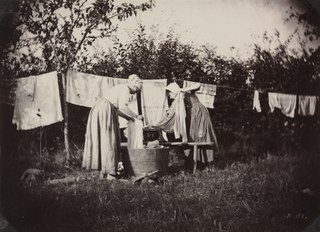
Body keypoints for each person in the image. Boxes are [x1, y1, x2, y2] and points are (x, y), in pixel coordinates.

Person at [82, 74, 144, 180]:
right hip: (105, 110)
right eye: (137, 90)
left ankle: (103, 171)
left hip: (99, 108)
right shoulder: (125, 89)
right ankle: (110, 173)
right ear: (135, 86)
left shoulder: (119, 87)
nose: (135, 93)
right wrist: (136, 116)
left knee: (103, 139)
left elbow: (117, 109)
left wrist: (128, 118)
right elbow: (123, 106)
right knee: (110, 139)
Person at [146, 82, 218, 169]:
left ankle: (206, 164)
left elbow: (198, 85)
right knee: (192, 137)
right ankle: (197, 164)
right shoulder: (177, 101)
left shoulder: (183, 94)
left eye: (170, 92)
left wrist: (184, 90)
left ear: (174, 91)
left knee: (201, 136)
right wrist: (157, 124)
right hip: (192, 116)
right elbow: (169, 115)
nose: (168, 95)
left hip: (199, 114)